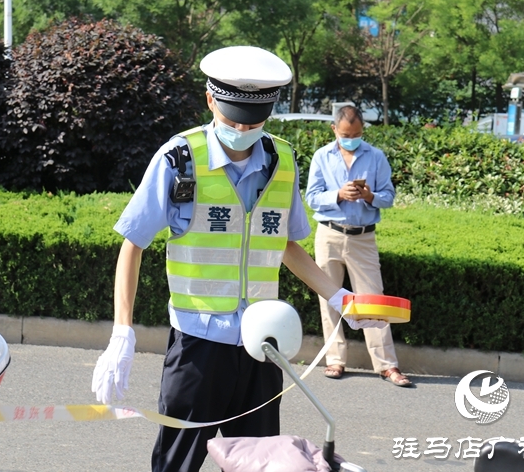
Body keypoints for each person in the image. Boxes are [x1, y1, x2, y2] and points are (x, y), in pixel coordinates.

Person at [90, 46, 380, 472]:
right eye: (233, 119)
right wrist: (121, 333)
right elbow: (133, 242)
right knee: (177, 464)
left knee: (264, 464)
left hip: (263, 348)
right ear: (211, 100)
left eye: (254, 121)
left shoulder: (282, 161)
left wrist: (339, 298)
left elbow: (284, 243)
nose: (243, 128)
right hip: (197, 347)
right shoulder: (179, 159)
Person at [304, 105, 412, 387]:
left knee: (373, 300)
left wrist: (370, 195)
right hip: (329, 233)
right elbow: (312, 197)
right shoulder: (322, 156)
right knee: (329, 298)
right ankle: (335, 360)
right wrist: (338, 194)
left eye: (357, 134)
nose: (351, 138)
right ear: (334, 130)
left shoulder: (375, 157)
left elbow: (388, 196)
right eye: (345, 134)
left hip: (363, 237)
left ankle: (387, 365)